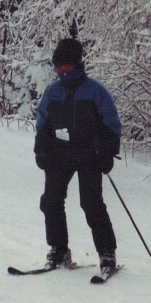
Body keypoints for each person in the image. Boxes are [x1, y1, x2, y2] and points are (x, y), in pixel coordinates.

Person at [34, 37, 122, 276]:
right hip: (59, 155)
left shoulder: (95, 91)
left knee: (91, 203)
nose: (62, 70)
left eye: (67, 65)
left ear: (77, 64)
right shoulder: (52, 92)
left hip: (89, 155)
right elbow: (42, 123)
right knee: (51, 201)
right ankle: (59, 249)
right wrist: (40, 149)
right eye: (58, 66)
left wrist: (108, 153)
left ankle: (107, 252)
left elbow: (111, 124)